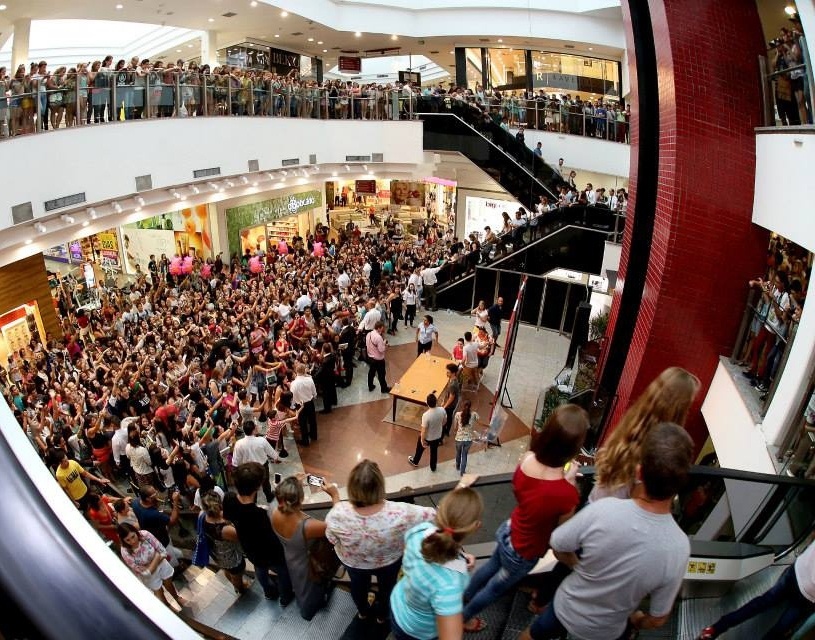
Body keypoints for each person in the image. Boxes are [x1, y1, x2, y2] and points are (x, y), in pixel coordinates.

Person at [521, 422, 693, 640]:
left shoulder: (604, 510)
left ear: (639, 471)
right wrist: (637, 620)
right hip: (608, 630)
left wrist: (577, 565)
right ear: (681, 483)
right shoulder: (679, 548)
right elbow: (658, 618)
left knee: (533, 635)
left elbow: (558, 544)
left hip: (568, 607)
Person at [462, 405, 588, 631]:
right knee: (494, 589)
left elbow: (529, 492)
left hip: (508, 530)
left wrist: (564, 478)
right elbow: (562, 535)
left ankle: (463, 598)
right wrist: (568, 481)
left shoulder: (527, 460)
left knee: (489, 567)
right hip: (524, 550)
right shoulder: (566, 494)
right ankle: (463, 617)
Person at [325, 460, 436, 624]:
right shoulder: (401, 511)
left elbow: (332, 539)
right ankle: (382, 616)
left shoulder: (337, 514)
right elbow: (435, 514)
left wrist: (335, 497)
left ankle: (363, 612)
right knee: (387, 587)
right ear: (380, 486)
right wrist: (462, 487)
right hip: (389, 561)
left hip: (354, 563)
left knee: (358, 587)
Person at [590, 366, 700, 501]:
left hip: (596, 501)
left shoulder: (634, 421)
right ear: (678, 410)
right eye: (687, 407)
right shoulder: (661, 449)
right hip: (613, 514)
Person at [389, 487, 483, 640]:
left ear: (439, 510)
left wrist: (460, 558)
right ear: (476, 527)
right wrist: (458, 562)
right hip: (419, 632)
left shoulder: (420, 531)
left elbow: (417, 557)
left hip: (398, 605)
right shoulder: (450, 584)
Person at [272, 476, 340, 620]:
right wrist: (335, 495)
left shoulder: (273, 511)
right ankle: (308, 612)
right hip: (308, 565)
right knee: (310, 590)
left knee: (299, 586)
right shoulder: (308, 527)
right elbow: (336, 525)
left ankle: (304, 604)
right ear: (301, 500)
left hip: (290, 557)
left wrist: (291, 484)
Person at [223, 462, 292, 603]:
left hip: (250, 548)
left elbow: (227, 517)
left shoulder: (229, 499)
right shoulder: (261, 514)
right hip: (272, 552)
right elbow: (277, 531)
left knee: (260, 569)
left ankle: (269, 592)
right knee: (283, 572)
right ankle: (285, 598)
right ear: (258, 486)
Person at [117, 522, 186, 608]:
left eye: (133, 536)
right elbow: (145, 573)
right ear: (123, 541)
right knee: (159, 592)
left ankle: (176, 597)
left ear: (136, 532)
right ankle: (168, 607)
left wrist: (150, 566)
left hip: (161, 565)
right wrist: (156, 557)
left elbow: (163, 551)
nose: (132, 541)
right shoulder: (125, 551)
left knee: (168, 583)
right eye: (128, 540)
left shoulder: (145, 535)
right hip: (152, 573)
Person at [200, 491, 249, 594]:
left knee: (226, 570)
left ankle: (235, 584)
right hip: (232, 559)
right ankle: (239, 588)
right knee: (236, 574)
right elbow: (242, 538)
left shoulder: (202, 517)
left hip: (217, 555)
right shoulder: (224, 529)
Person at [131, 484, 183, 567]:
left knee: (174, 551)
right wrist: (175, 501)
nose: (157, 494)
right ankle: (175, 568)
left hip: (151, 534)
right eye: (155, 494)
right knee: (171, 558)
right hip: (161, 541)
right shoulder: (153, 514)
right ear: (148, 499)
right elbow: (172, 521)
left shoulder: (135, 503)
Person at [231, 420, 279, 502]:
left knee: (252, 486)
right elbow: (273, 454)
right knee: (266, 482)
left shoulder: (239, 443)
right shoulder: (261, 440)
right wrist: (276, 457)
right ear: (253, 430)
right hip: (262, 466)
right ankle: (269, 497)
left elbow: (236, 462)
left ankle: (253, 501)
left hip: (249, 470)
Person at [408, 393, 446, 472]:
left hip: (428, 437)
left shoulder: (426, 415)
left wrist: (422, 440)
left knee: (419, 449)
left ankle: (415, 461)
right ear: (436, 401)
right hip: (438, 436)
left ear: (427, 403)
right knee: (434, 452)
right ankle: (433, 467)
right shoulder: (442, 410)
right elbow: (444, 421)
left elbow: (424, 430)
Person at [291, 362, 319, 447]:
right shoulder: (309, 379)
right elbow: (314, 391)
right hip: (310, 402)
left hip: (300, 405)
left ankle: (305, 440)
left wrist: (297, 403)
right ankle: (314, 436)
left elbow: (294, 395)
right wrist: (314, 396)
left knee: (303, 423)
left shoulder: (294, 383)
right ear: (304, 371)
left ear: (296, 371)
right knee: (312, 420)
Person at [453, 400, 479, 476]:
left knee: (458, 453)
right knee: (464, 455)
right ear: (470, 406)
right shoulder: (474, 414)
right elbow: (480, 423)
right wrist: (488, 426)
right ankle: (462, 472)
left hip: (459, 439)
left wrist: (456, 431)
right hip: (468, 439)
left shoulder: (458, 414)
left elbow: (455, 427)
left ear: (462, 406)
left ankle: (457, 466)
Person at [366, 321, 391, 393]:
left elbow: (368, 345)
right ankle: (384, 389)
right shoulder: (378, 337)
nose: (383, 329)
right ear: (379, 328)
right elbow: (381, 350)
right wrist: (385, 345)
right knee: (382, 374)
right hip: (378, 359)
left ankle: (370, 386)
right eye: (382, 328)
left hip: (370, 357)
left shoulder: (369, 334)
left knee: (371, 372)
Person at [440, 363, 461, 439]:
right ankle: (447, 431)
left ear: (453, 373)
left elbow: (451, 397)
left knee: (445, 420)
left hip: (450, 405)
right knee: (449, 417)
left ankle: (442, 437)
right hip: (450, 403)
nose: (447, 373)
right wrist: (443, 400)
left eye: (448, 372)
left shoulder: (453, 384)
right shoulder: (452, 379)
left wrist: (444, 406)